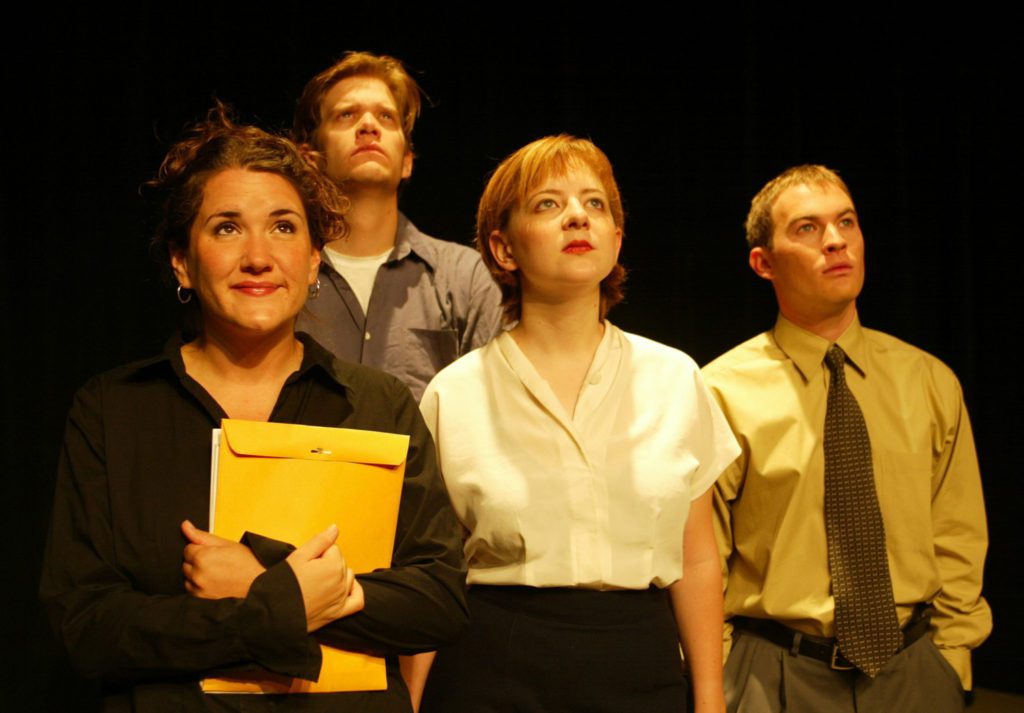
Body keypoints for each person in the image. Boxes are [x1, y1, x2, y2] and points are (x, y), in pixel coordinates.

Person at [39, 107, 468, 712]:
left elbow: (440, 601)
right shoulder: (113, 409)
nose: (259, 257)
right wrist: (282, 607)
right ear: (181, 260)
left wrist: (262, 583)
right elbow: (85, 624)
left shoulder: (377, 404)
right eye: (227, 228)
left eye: (285, 228)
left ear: (316, 258)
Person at [416, 136, 740, 713]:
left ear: (617, 238)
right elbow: (432, 571)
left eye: (595, 204)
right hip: (494, 657)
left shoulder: (673, 377)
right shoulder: (455, 393)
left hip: (640, 656)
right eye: (548, 204)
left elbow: (696, 557)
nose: (576, 217)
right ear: (503, 247)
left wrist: (710, 698)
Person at [702, 165, 991, 713]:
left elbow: (959, 535)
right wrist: (718, 677)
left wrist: (952, 662)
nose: (835, 241)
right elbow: (702, 560)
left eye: (846, 222)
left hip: (914, 672)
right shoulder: (719, 392)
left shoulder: (928, 381)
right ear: (764, 263)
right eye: (807, 228)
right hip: (774, 676)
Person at [292, 51, 502, 401]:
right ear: (310, 158)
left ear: (407, 161)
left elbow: (498, 407)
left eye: (386, 117)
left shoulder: (464, 277)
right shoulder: (282, 274)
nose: (369, 126)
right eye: (347, 115)